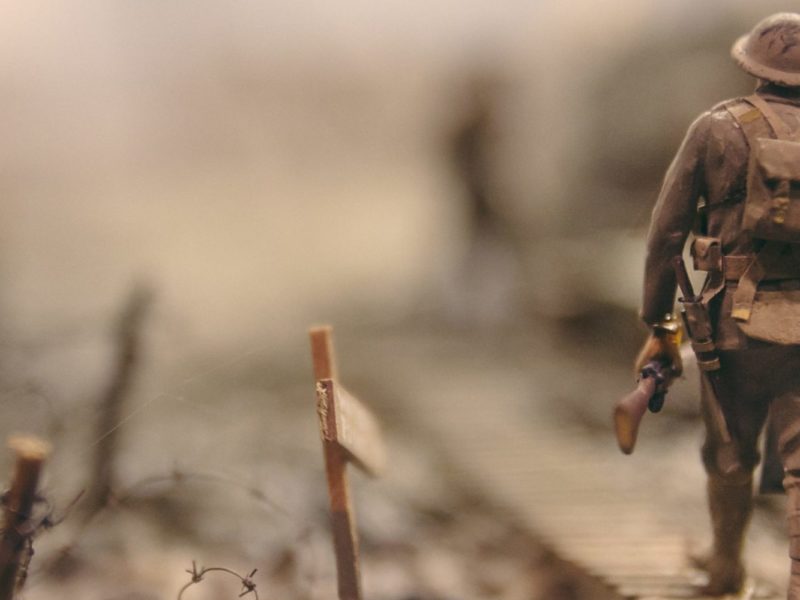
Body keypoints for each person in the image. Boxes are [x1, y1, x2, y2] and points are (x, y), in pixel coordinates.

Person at [636, 13, 800, 597]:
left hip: (738, 321)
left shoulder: (717, 128)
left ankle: (728, 567)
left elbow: (664, 236)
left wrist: (659, 323)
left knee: (731, 450)